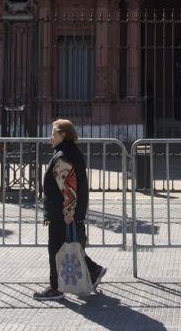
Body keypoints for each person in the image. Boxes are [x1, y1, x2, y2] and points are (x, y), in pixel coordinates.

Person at [34, 119, 106, 301]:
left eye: (53, 133)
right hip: (68, 211)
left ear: (63, 134)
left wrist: (68, 212)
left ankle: (55, 288)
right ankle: (94, 270)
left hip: (61, 212)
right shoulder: (70, 152)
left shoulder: (62, 156)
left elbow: (68, 188)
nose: (50, 137)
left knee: (55, 249)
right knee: (69, 245)